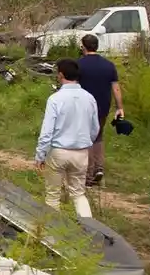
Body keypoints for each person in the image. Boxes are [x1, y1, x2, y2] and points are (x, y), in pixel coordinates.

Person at [33, 58, 99, 218]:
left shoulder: (55, 99)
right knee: (78, 194)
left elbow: (47, 131)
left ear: (61, 75)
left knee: (53, 195)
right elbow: (95, 128)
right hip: (81, 152)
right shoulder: (90, 98)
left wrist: (40, 155)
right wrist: (84, 142)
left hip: (58, 151)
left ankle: (53, 233)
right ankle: (88, 230)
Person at [77, 34, 124, 186]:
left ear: (83, 46)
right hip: (103, 106)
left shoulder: (79, 65)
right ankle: (99, 168)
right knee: (98, 136)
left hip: (84, 106)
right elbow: (116, 88)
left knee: (86, 138)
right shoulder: (108, 65)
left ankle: (88, 176)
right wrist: (120, 107)